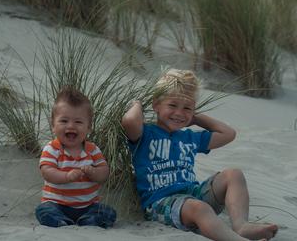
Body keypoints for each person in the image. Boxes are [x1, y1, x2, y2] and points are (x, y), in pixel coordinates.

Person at [121, 69, 278, 240]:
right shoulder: (146, 133)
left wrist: (195, 118)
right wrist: (137, 104)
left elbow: (228, 134)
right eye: (172, 105)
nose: (179, 113)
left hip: (193, 194)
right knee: (200, 208)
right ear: (156, 105)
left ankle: (241, 225)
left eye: (187, 108)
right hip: (161, 203)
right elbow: (129, 121)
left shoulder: (190, 137)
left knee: (234, 174)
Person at [35, 86, 116, 228]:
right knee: (44, 211)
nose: (71, 126)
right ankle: (60, 221)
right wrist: (67, 177)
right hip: (57, 205)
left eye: (78, 122)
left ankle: (88, 220)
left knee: (109, 213)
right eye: (64, 121)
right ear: (53, 125)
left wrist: (94, 172)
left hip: (88, 205)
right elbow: (47, 172)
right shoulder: (52, 149)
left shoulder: (93, 150)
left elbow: (104, 172)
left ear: (89, 127)